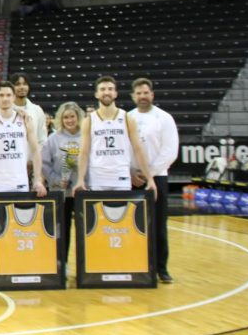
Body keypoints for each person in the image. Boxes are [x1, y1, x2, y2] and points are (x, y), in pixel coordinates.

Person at [128, 78, 179, 284]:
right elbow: (124, 150)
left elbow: (170, 151)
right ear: (133, 96)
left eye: (146, 93)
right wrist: (132, 172)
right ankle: (136, 265)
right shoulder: (127, 117)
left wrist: (149, 173)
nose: (142, 96)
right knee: (134, 225)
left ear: (152, 94)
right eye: (139, 93)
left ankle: (161, 268)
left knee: (158, 225)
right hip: (132, 179)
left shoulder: (164, 118)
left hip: (157, 178)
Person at [74, 76, 156, 201]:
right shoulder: (89, 121)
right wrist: (80, 179)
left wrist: (150, 179)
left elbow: (138, 149)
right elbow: (84, 153)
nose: (106, 92)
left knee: (122, 218)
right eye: (102, 89)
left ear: (115, 93)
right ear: (97, 94)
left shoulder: (127, 118)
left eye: (110, 89)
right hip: (98, 177)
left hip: (121, 176)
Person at [0, 81, 47, 202]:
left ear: (14, 97)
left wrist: (37, 179)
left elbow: (36, 151)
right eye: (1, 95)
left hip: (20, 181)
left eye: (9, 95)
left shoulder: (25, 119)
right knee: (0, 221)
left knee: (20, 219)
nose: (5, 99)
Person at [42, 102, 83, 272]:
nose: (69, 120)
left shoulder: (87, 136)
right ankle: (62, 264)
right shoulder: (53, 139)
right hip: (61, 193)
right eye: (66, 117)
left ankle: (85, 265)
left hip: (82, 192)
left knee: (84, 231)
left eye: (72, 116)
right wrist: (55, 180)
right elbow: (44, 164)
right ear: (60, 119)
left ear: (78, 117)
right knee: (62, 230)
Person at [11, 73, 48, 147]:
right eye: (17, 84)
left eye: (25, 84)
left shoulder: (37, 110)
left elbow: (42, 139)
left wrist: (36, 157)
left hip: (32, 157)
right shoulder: (3, 109)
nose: (22, 87)